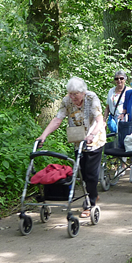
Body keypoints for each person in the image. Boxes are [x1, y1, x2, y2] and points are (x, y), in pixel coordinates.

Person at [37, 77, 106, 219]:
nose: (72, 97)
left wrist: (92, 135)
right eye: (70, 93)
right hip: (78, 140)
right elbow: (57, 119)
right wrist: (43, 135)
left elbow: (99, 120)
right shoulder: (66, 101)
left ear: (83, 92)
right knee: (81, 173)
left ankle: (90, 203)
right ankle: (92, 195)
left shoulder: (92, 98)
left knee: (91, 174)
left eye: (75, 94)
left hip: (95, 140)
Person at [106, 70, 128, 134]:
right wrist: (104, 119)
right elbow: (108, 107)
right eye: (116, 78)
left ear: (125, 79)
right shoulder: (111, 91)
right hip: (113, 119)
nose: (119, 80)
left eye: (121, 78)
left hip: (125, 119)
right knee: (115, 137)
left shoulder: (129, 91)